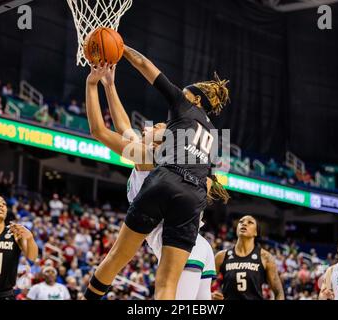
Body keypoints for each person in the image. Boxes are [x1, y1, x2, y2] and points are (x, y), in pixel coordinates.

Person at [84, 44, 231, 300]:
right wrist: (109, 85)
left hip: (184, 240)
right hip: (192, 230)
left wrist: (91, 84)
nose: (156, 124)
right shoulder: (198, 141)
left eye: (161, 125)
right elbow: (123, 125)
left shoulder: (151, 156)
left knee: (118, 259)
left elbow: (100, 130)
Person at [213, 215, 285, 300]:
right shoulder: (221, 256)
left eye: (250, 222)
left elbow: (279, 293)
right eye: (241, 222)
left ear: (256, 232)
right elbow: (204, 284)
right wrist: (211, 295)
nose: (244, 224)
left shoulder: (265, 257)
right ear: (236, 229)